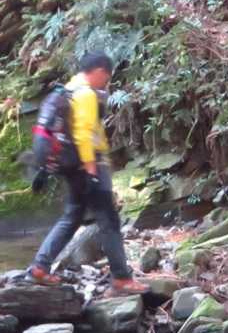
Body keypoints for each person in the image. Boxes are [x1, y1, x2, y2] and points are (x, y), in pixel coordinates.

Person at [28, 52, 145, 293]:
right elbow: (84, 133)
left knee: (72, 217)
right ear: (100, 71)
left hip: (70, 165)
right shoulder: (86, 94)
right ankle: (122, 278)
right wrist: (92, 168)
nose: (106, 83)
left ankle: (40, 267)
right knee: (109, 221)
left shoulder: (69, 88)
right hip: (88, 165)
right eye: (107, 78)